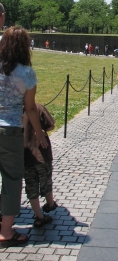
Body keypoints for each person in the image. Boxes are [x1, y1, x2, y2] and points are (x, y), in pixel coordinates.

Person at [0, 26, 48, 247]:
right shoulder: (27, 73)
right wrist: (38, 133)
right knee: (12, 180)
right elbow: (30, 108)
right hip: (10, 129)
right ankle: (7, 231)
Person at [23, 103, 58, 228]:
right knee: (46, 181)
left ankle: (39, 216)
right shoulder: (38, 108)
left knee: (31, 186)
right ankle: (50, 204)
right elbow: (51, 125)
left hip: (26, 156)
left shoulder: (16, 111)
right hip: (42, 155)